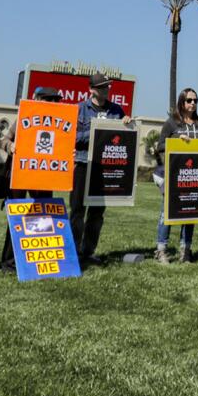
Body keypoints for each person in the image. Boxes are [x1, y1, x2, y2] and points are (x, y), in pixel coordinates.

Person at [0, 88, 57, 272]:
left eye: (54, 99)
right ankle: (9, 262)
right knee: (17, 216)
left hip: (44, 176)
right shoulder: (25, 116)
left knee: (42, 216)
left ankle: (38, 259)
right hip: (20, 174)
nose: (51, 102)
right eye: (48, 99)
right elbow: (3, 140)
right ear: (37, 99)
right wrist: (11, 145)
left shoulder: (58, 122)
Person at [73, 72, 125, 266]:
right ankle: (74, 252)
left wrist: (126, 124)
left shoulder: (116, 110)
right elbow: (73, 137)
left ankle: (88, 251)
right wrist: (97, 132)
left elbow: (123, 137)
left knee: (97, 213)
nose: (106, 89)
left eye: (108, 86)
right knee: (77, 211)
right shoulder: (79, 109)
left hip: (105, 168)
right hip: (82, 164)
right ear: (91, 89)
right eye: (102, 86)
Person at [154, 87, 198, 263]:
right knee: (166, 212)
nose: (192, 104)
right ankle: (161, 250)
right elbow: (159, 146)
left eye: (195, 101)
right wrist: (176, 141)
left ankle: (186, 249)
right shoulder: (172, 123)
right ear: (181, 102)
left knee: (190, 211)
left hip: (193, 175)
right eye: (189, 100)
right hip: (171, 173)